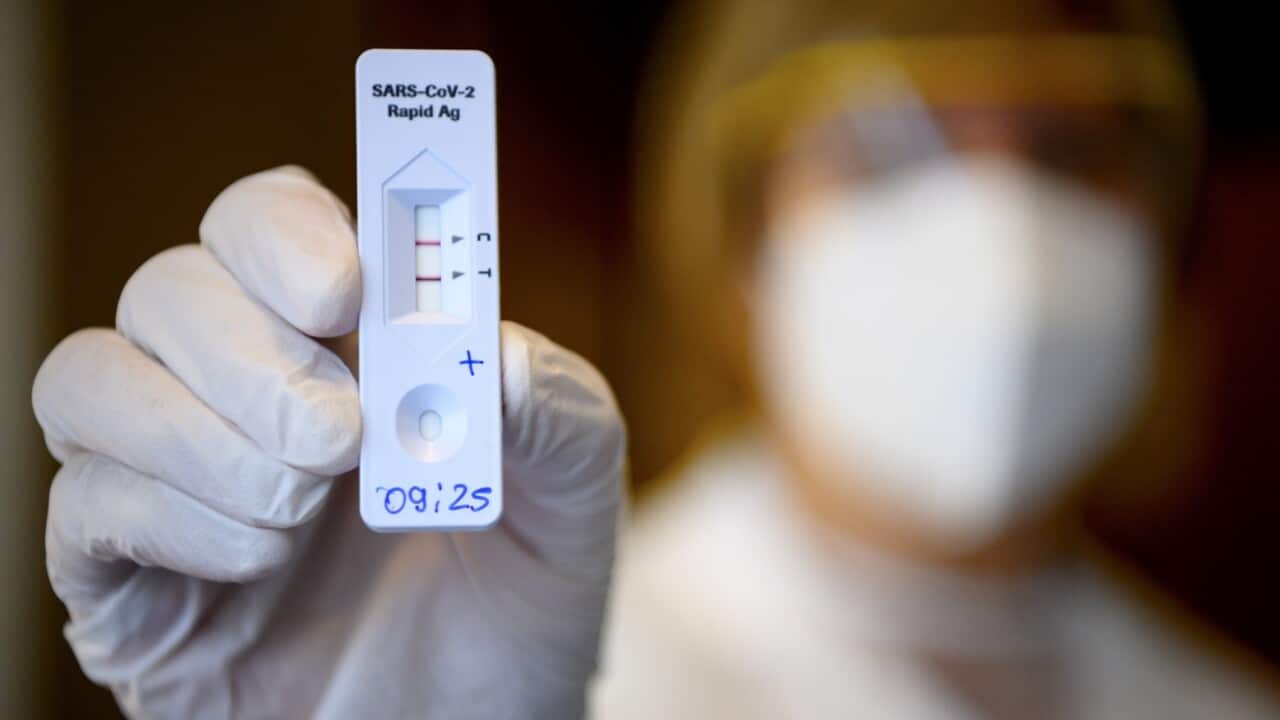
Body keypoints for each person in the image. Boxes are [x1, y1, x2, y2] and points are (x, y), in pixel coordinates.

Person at [29, 2, 1280, 720]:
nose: (998, 229)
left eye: (1067, 151)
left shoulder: (1226, 700)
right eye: (889, 148)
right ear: (738, 251)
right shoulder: (555, 658)